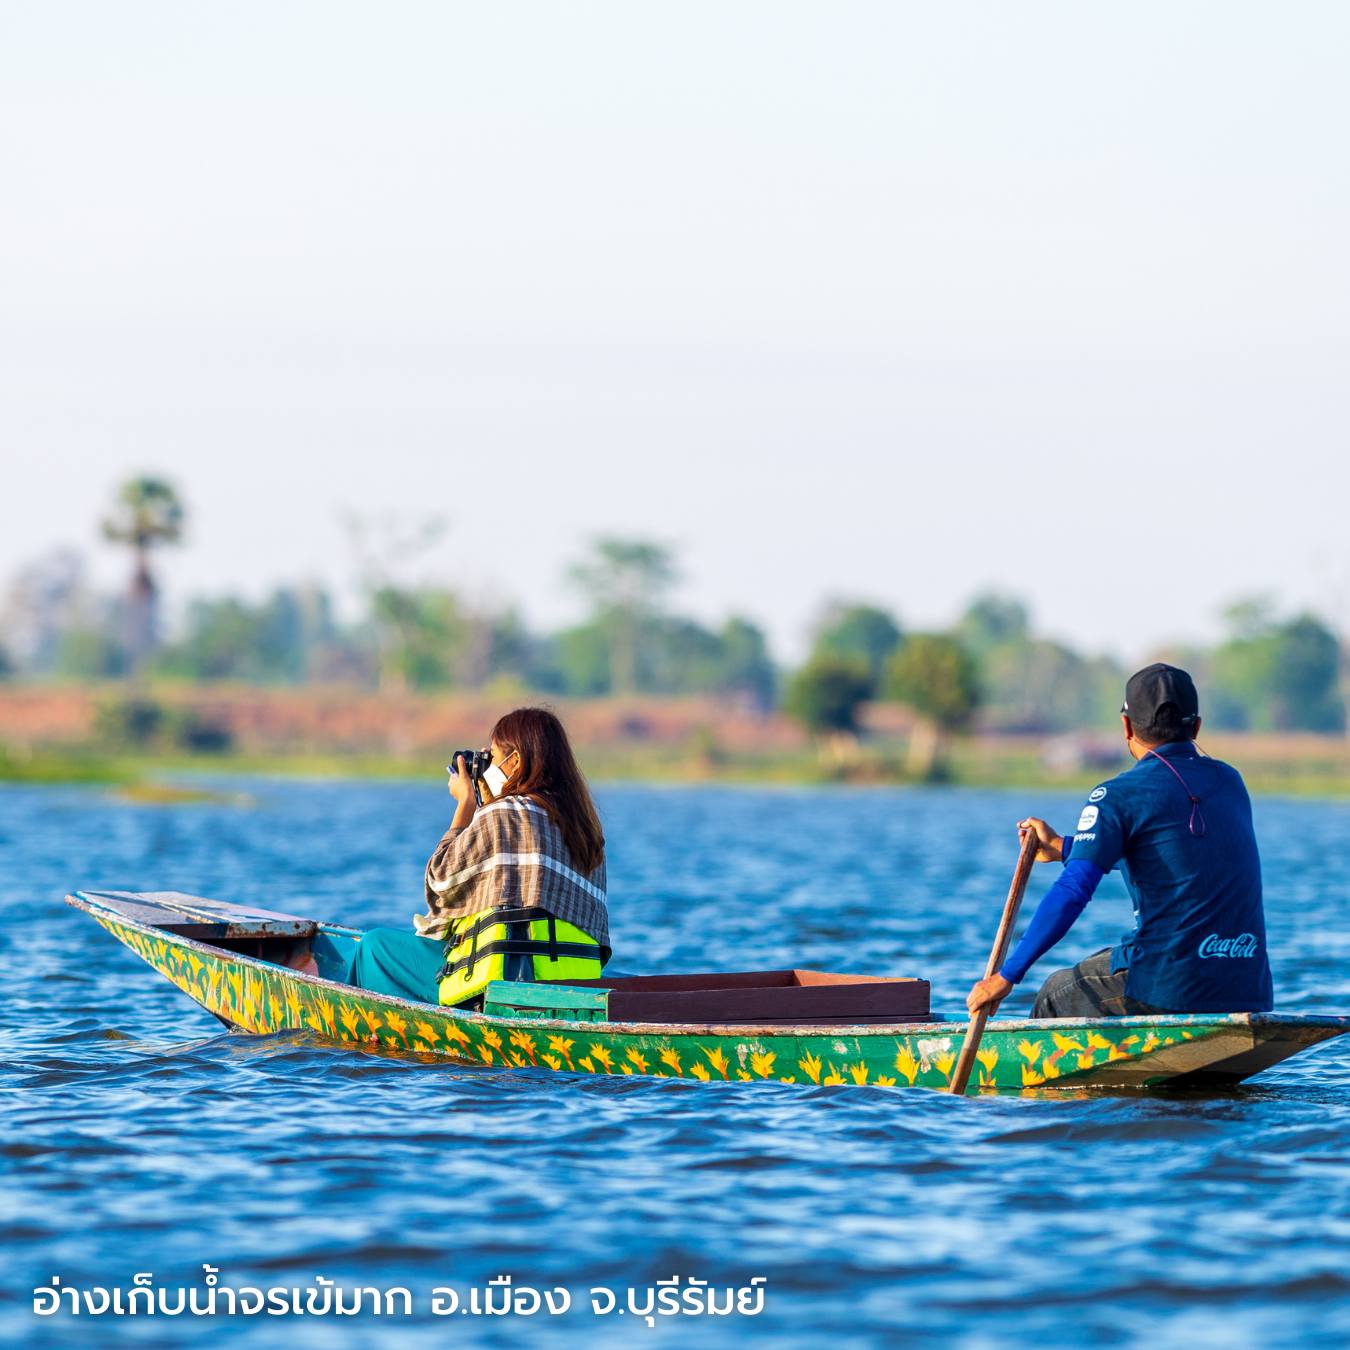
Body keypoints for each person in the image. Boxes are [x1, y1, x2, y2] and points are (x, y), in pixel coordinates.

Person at [965, 664, 1273, 1020]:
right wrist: (1069, 848)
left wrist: (1006, 976)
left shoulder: (1117, 794)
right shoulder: (1231, 782)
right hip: (1249, 989)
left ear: (1126, 727)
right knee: (1106, 960)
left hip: (1174, 984)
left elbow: (1073, 890)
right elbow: (1164, 853)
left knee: (1056, 991)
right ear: (1197, 726)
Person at [347, 707, 611, 1007]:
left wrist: (466, 807)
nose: (488, 766)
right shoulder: (587, 832)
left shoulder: (503, 814)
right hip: (570, 988)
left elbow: (440, 884)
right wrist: (490, 802)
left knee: (374, 946)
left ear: (515, 762)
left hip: (499, 983)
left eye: (494, 757)